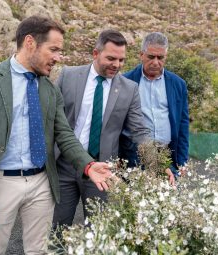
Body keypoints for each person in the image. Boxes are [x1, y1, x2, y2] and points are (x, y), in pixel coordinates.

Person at [0, 15, 112, 254]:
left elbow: (65, 134)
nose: (59, 58)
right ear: (30, 42)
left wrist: (88, 165)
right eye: (54, 49)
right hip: (1, 184)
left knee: (39, 251)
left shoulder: (50, 89)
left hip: (41, 182)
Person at [52, 29, 151, 230]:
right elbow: (51, 118)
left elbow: (139, 130)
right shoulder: (68, 76)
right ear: (95, 54)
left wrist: (156, 159)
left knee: (98, 231)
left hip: (102, 170)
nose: (117, 65)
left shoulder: (129, 89)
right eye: (111, 58)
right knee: (57, 229)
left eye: (122, 60)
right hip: (65, 166)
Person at [119, 32, 189, 176]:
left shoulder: (178, 84)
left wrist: (182, 162)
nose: (156, 62)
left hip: (168, 155)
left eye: (160, 57)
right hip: (134, 155)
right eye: (151, 57)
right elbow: (116, 123)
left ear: (166, 57)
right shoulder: (125, 82)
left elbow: (183, 124)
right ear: (141, 55)